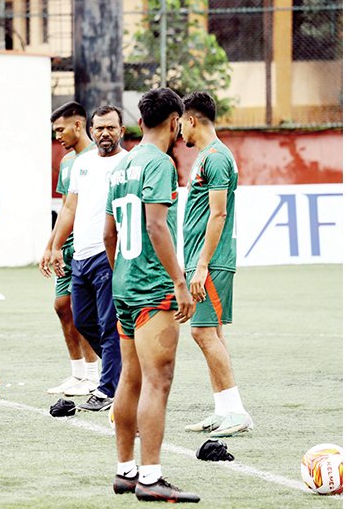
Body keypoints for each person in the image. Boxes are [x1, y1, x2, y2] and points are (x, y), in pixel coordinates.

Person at [104, 88, 199, 503]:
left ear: (139, 123)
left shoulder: (122, 165)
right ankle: (151, 477)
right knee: (158, 382)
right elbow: (157, 226)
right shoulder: (159, 164)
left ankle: (126, 472)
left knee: (131, 378)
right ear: (176, 123)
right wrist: (179, 282)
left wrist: (120, 273)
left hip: (124, 285)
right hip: (153, 288)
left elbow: (109, 234)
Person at [179, 91, 252, 438]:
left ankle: (236, 411)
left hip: (212, 262)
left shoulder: (216, 157)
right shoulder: (208, 156)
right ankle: (223, 410)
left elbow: (219, 213)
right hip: (202, 260)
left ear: (191, 120)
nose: (179, 130)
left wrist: (202, 265)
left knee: (202, 332)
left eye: (180, 122)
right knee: (213, 334)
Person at [47, 105, 129, 411]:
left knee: (109, 325)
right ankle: (122, 373)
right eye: (100, 128)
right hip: (79, 256)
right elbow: (69, 207)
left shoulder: (128, 163)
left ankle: (108, 390)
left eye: (111, 127)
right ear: (91, 131)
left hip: (108, 254)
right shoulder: (82, 163)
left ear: (122, 130)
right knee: (82, 321)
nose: (105, 133)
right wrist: (56, 245)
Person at [41, 103, 101, 395]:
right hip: (68, 247)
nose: (58, 137)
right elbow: (66, 208)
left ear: (79, 125)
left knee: (82, 311)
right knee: (61, 306)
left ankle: (94, 375)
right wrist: (52, 245)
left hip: (91, 248)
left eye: (60, 130)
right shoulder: (67, 162)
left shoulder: (100, 157)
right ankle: (78, 374)